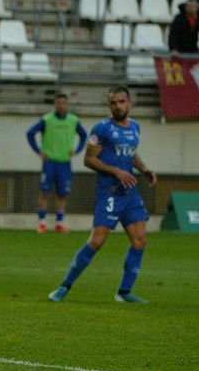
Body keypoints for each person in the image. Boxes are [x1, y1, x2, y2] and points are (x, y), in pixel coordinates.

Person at [49, 87, 157, 304]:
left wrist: (145, 169)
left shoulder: (135, 127)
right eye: (114, 103)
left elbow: (131, 152)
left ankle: (124, 293)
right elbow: (89, 159)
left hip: (130, 192)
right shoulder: (102, 128)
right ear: (109, 105)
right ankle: (64, 287)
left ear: (129, 103)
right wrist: (116, 171)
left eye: (122, 102)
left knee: (139, 241)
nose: (118, 106)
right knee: (97, 241)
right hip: (109, 191)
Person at [26, 93, 88, 233]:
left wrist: (77, 150)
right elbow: (30, 133)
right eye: (58, 103)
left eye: (63, 103)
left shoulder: (73, 120)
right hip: (50, 162)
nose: (61, 105)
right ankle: (42, 223)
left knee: (63, 194)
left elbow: (84, 135)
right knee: (44, 192)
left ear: (67, 105)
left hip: (65, 163)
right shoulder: (47, 119)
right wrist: (38, 151)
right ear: (54, 104)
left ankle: (59, 223)